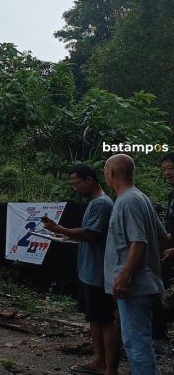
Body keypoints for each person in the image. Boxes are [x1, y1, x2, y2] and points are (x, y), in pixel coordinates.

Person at [41, 164, 120, 374]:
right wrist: (64, 234)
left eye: (77, 183)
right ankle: (98, 360)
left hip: (99, 273)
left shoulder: (102, 204)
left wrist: (60, 229)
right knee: (94, 318)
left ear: (90, 180)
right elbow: (87, 235)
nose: (75, 188)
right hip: (89, 271)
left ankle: (110, 367)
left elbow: (91, 234)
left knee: (104, 321)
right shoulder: (95, 203)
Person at [103, 154, 163, 374]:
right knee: (136, 342)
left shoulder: (127, 201)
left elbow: (139, 242)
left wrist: (124, 275)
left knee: (137, 345)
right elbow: (163, 236)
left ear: (111, 172)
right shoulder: (140, 197)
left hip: (134, 287)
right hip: (141, 283)